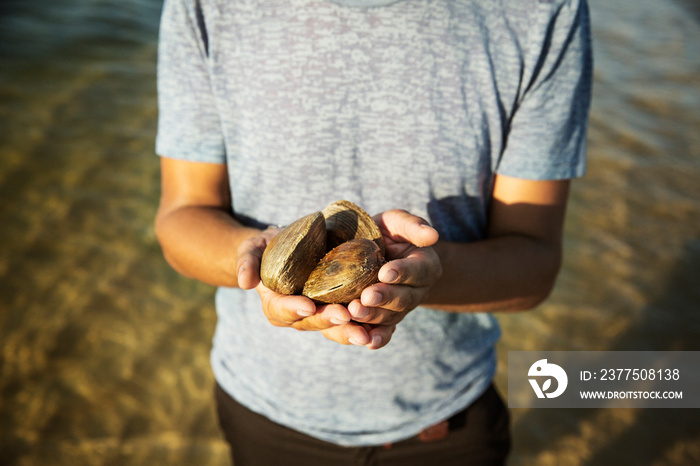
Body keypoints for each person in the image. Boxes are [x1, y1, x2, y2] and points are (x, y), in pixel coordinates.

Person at [154, 0, 592, 464]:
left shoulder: (542, 10)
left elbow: (534, 265)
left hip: (444, 422)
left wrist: (425, 275)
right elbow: (183, 216)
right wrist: (253, 258)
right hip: (264, 412)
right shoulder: (206, 6)